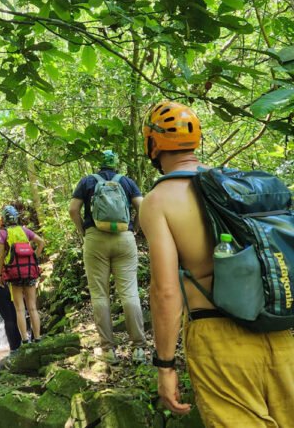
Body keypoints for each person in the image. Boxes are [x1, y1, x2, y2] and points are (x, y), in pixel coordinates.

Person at [139, 101, 294, 425]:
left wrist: (165, 365)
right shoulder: (232, 186)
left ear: (153, 145)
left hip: (219, 340)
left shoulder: (159, 201)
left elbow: (166, 293)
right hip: (280, 332)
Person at [69, 150, 147, 363]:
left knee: (99, 295)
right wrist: (136, 228)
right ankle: (139, 349)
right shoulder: (127, 182)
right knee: (130, 293)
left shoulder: (87, 182)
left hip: (95, 239)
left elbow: (73, 209)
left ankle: (108, 351)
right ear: (116, 164)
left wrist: (82, 231)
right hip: (124, 237)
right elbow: (142, 206)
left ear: (99, 165)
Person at [0, 205, 45, 344]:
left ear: (5, 219)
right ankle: (37, 337)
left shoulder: (3, 233)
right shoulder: (25, 231)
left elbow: (1, 256)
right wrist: (34, 259)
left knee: (19, 309)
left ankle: (24, 339)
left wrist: (0, 275)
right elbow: (41, 242)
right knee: (33, 307)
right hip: (29, 272)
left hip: (14, 274)